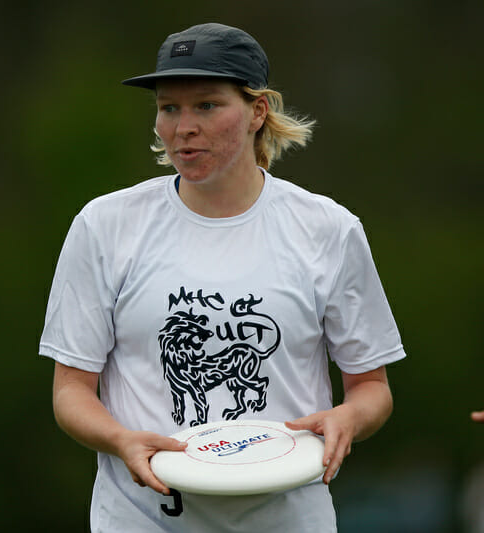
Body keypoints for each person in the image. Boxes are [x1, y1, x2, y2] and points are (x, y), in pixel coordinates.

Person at [39, 22, 406, 532]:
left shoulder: (328, 229)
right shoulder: (105, 226)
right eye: (169, 108)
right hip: (144, 520)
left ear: (258, 111)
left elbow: (371, 386)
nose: (183, 126)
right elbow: (70, 392)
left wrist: (348, 419)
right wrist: (121, 439)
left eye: (207, 105)